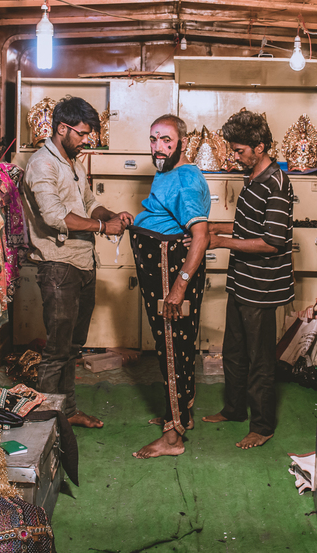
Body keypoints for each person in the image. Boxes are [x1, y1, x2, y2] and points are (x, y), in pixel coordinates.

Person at [21, 96, 132, 428]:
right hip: (58, 267)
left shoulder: (73, 163)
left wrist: (111, 215)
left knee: (73, 346)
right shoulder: (43, 165)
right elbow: (54, 216)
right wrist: (102, 227)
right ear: (61, 128)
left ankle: (67, 411)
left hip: (82, 263)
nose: (87, 141)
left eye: (90, 134)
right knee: (57, 350)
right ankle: (43, 423)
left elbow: (88, 204)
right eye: (83, 134)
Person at [202, 110, 295, 449]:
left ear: (260, 147)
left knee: (259, 359)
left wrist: (220, 241)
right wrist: (213, 227)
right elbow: (247, 227)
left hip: (262, 287)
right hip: (241, 280)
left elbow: (271, 242)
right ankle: (233, 409)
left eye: (239, 150)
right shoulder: (253, 178)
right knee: (234, 352)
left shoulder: (277, 184)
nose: (234, 156)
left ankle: (263, 425)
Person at [129, 114, 211, 458]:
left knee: (171, 351)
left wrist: (178, 287)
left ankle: (173, 438)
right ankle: (181, 414)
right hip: (160, 269)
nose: (158, 147)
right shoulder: (169, 173)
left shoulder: (184, 180)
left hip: (169, 272)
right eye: (153, 139)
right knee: (176, 346)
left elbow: (200, 236)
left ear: (182, 142)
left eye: (166, 140)